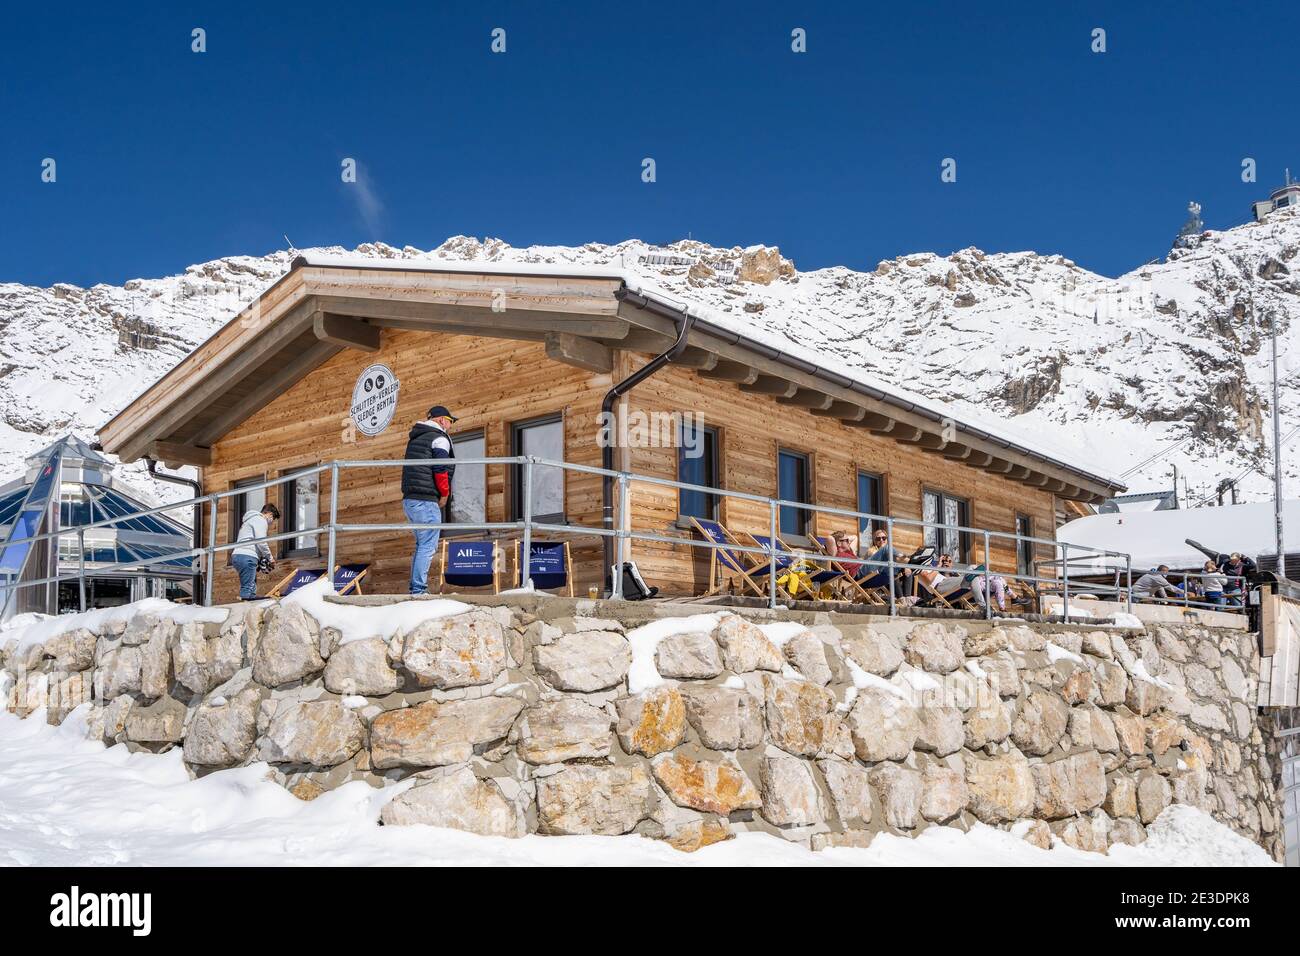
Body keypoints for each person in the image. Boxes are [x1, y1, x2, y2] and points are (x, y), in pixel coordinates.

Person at [401, 405, 457, 595]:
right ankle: (418, 590)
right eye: (450, 421)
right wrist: (444, 494)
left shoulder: (416, 438)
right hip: (425, 500)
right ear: (442, 420)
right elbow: (440, 469)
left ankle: (415, 588)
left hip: (410, 500)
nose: (451, 426)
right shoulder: (439, 439)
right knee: (427, 545)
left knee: (421, 544)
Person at [231, 502, 279, 600]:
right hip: (247, 556)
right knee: (248, 587)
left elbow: (252, 540)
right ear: (269, 514)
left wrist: (260, 558)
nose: (271, 522)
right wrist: (270, 558)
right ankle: (244, 609)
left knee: (251, 586)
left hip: (239, 555)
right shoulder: (260, 519)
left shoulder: (250, 520)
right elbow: (261, 541)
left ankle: (250, 606)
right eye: (272, 519)